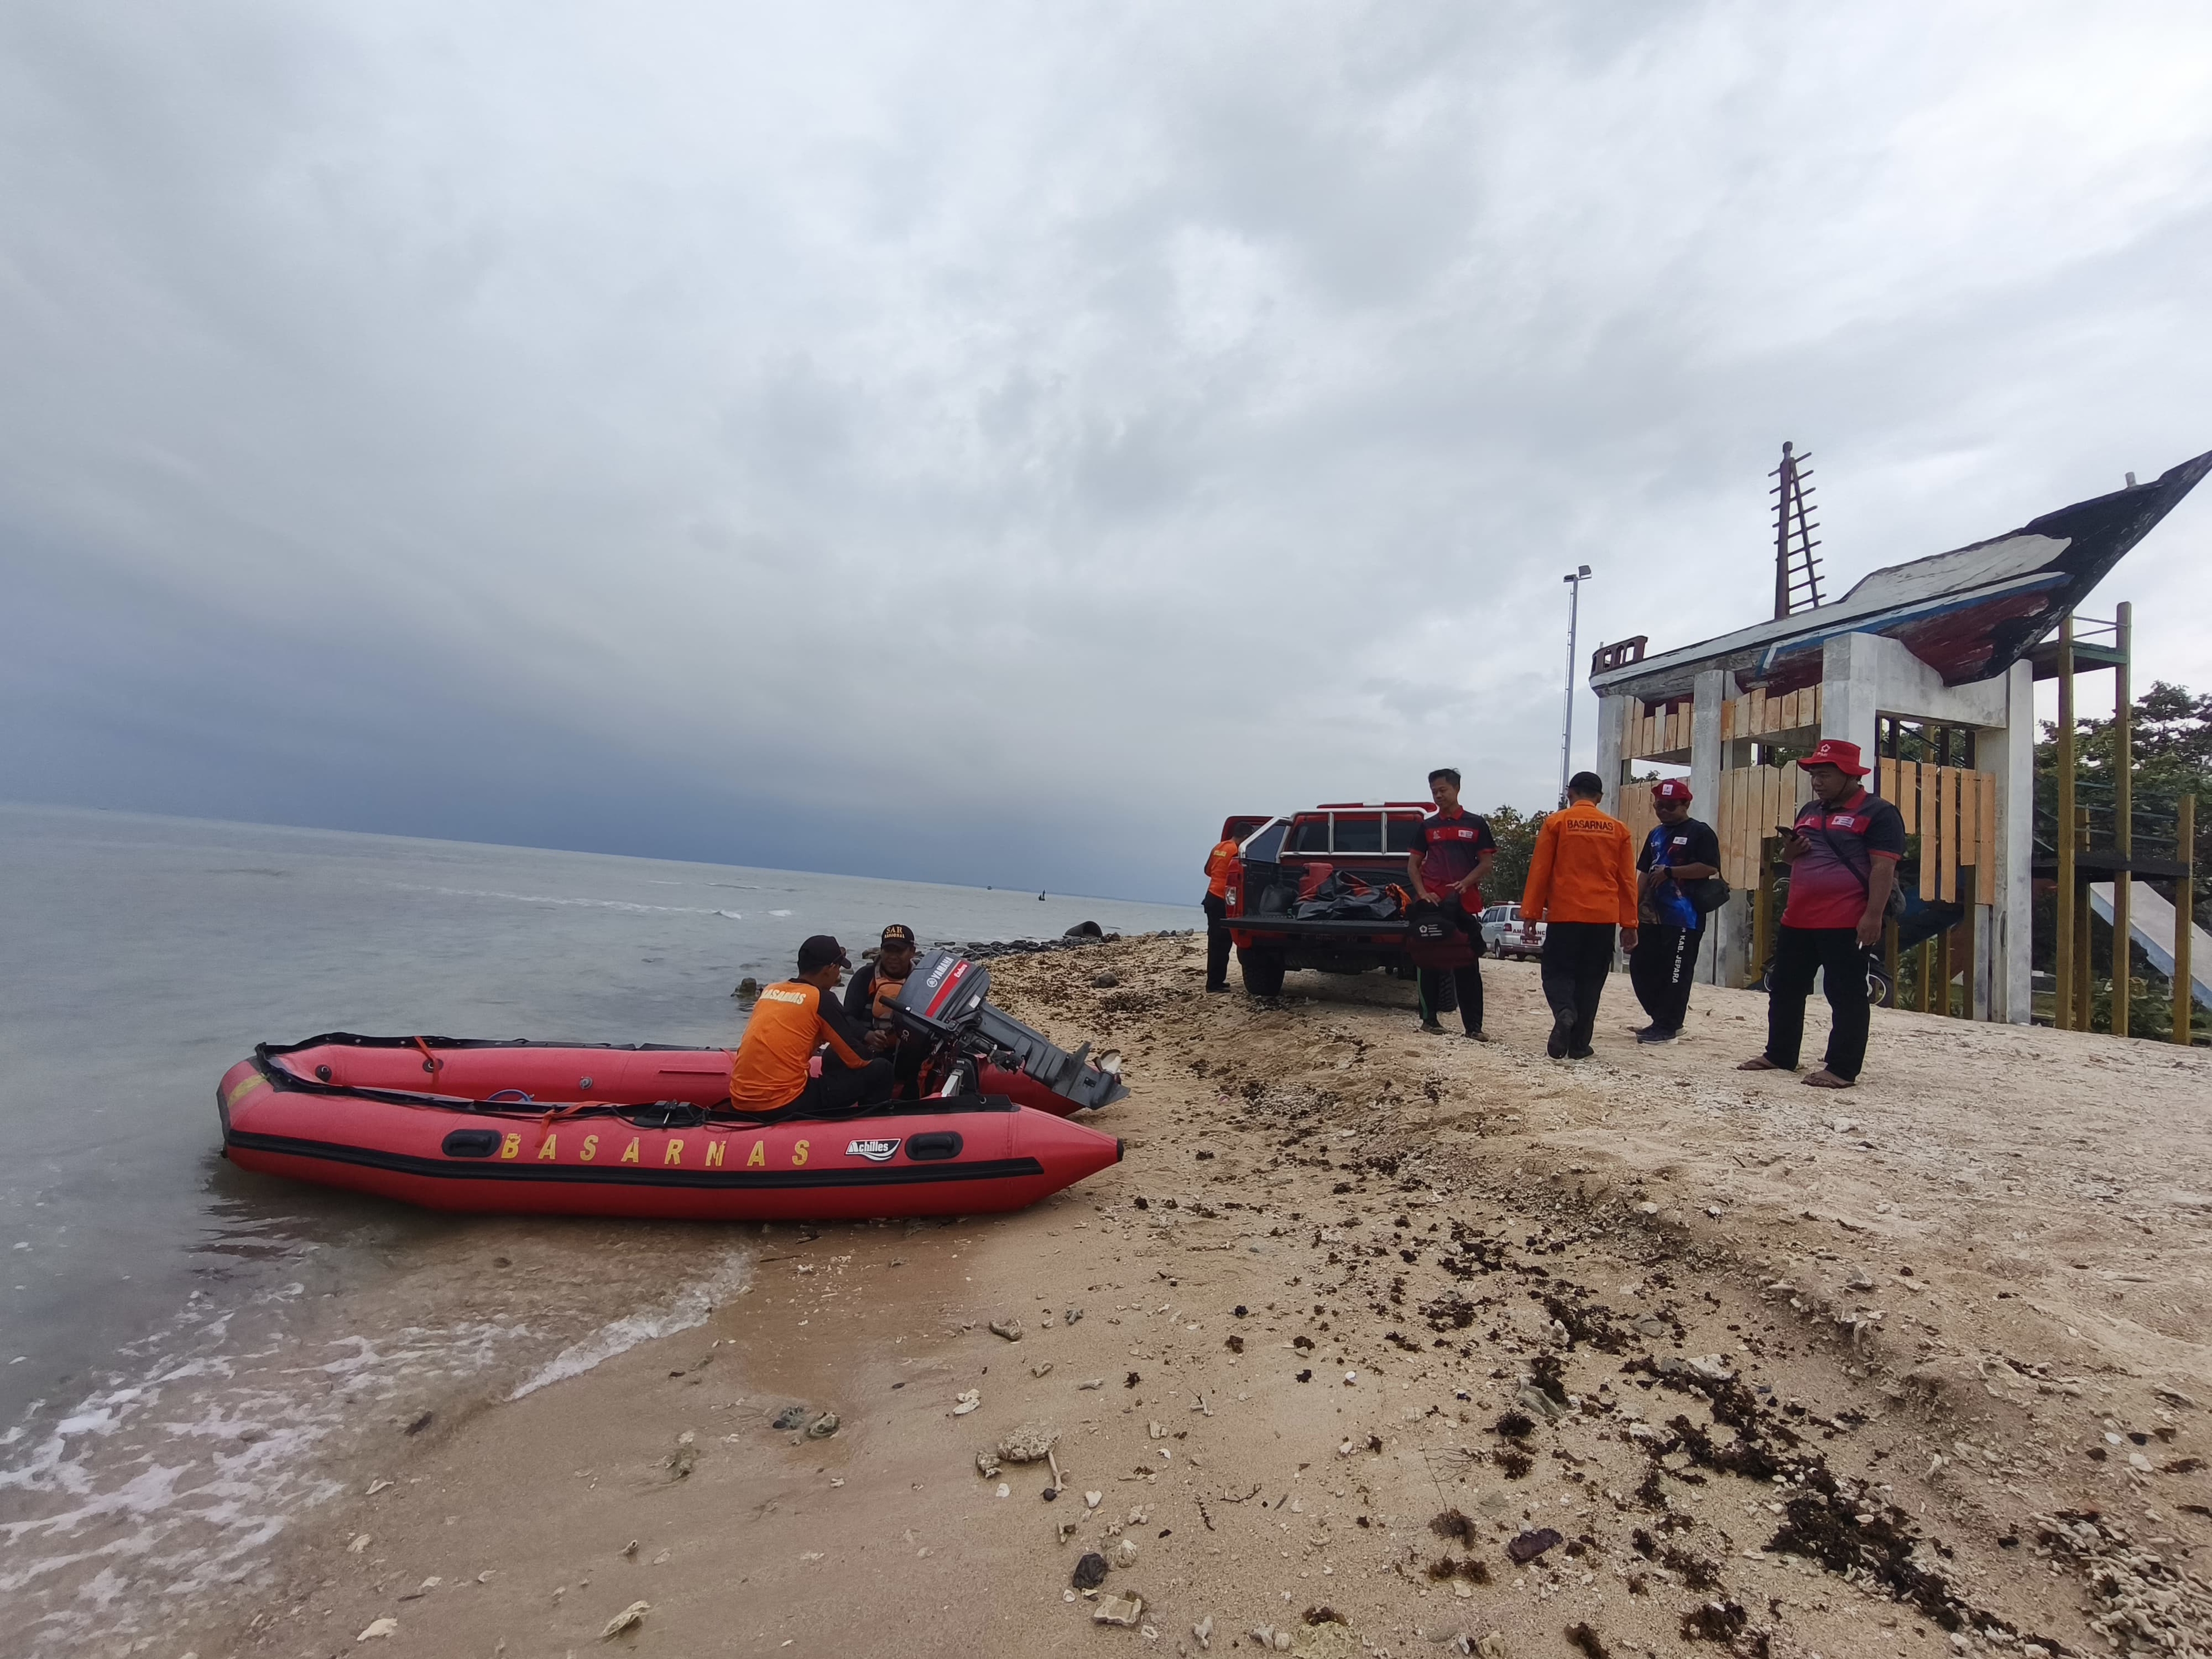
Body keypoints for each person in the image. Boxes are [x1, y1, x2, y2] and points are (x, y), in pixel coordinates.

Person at [1740, 738, 1903, 1089]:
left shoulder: (1879, 813)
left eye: (1825, 774)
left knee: (1845, 993)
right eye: (1815, 774)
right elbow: (1790, 861)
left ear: (1850, 776)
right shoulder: (1810, 810)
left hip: (1846, 920)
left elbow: (1882, 868)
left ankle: (1842, 1069)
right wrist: (1791, 851)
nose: (1817, 781)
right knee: (1784, 987)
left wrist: (1872, 916)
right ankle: (1780, 1054)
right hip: (1798, 918)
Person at [1520, 771, 1639, 1059]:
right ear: (1599, 798)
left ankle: (1564, 1011)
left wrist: (1531, 915)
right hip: (1602, 918)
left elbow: (1540, 872)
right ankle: (1579, 1045)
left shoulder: (1556, 823)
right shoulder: (1618, 829)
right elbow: (1627, 880)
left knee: (1557, 973)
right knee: (1591, 980)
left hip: (1565, 915)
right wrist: (1630, 923)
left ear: (1570, 793)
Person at [726, 935, 895, 1113]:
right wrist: (881, 1050)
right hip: (783, 1102)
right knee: (882, 1070)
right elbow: (857, 1060)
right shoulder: (822, 999)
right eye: (838, 968)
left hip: (739, 1099)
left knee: (832, 1056)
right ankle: (869, 1133)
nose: (838, 975)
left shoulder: (770, 990)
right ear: (829, 969)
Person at [1407, 767, 1498, 1040]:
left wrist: (1466, 883)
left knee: (1467, 963)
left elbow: (1486, 863)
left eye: (1442, 790)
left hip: (1464, 904)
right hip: (1432, 905)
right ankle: (1429, 1020)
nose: (1438, 795)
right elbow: (1413, 865)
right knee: (1429, 961)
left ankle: (1474, 1028)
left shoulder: (1476, 824)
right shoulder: (1427, 827)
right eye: (1434, 791)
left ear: (1457, 789)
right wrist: (1422, 893)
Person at [1630, 779, 1722, 1044]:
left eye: (1670, 806)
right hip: (1652, 915)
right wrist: (1633, 907)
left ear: (1685, 805)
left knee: (1676, 971)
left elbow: (1709, 867)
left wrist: (1672, 872)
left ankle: (1668, 1025)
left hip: (1685, 916)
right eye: (1659, 805)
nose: (1664, 811)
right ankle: (1662, 1019)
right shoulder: (1655, 834)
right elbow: (1645, 872)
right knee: (1641, 966)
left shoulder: (1700, 832)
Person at [844, 923, 927, 1095]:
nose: (893, 956)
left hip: (908, 1054)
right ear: (881, 951)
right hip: (870, 1052)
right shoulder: (864, 977)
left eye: (900, 951)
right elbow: (846, 1018)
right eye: (888, 950)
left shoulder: (923, 981)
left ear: (912, 952)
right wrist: (867, 1035)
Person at [1202, 831, 1241, 993]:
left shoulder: (1219, 847)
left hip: (1211, 896)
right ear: (1245, 837)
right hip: (1222, 900)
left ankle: (1216, 980)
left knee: (1215, 942)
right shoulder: (1236, 851)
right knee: (1222, 943)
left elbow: (1208, 870)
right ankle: (1214, 984)